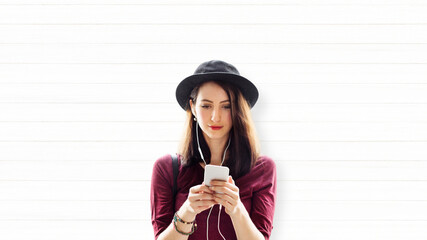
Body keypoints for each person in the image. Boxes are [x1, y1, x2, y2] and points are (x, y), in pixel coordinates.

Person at [150, 60, 277, 240]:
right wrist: (187, 211)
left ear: (238, 110)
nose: (215, 117)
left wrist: (236, 209)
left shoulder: (262, 168)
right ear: (193, 107)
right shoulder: (167, 168)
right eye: (206, 106)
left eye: (226, 106)